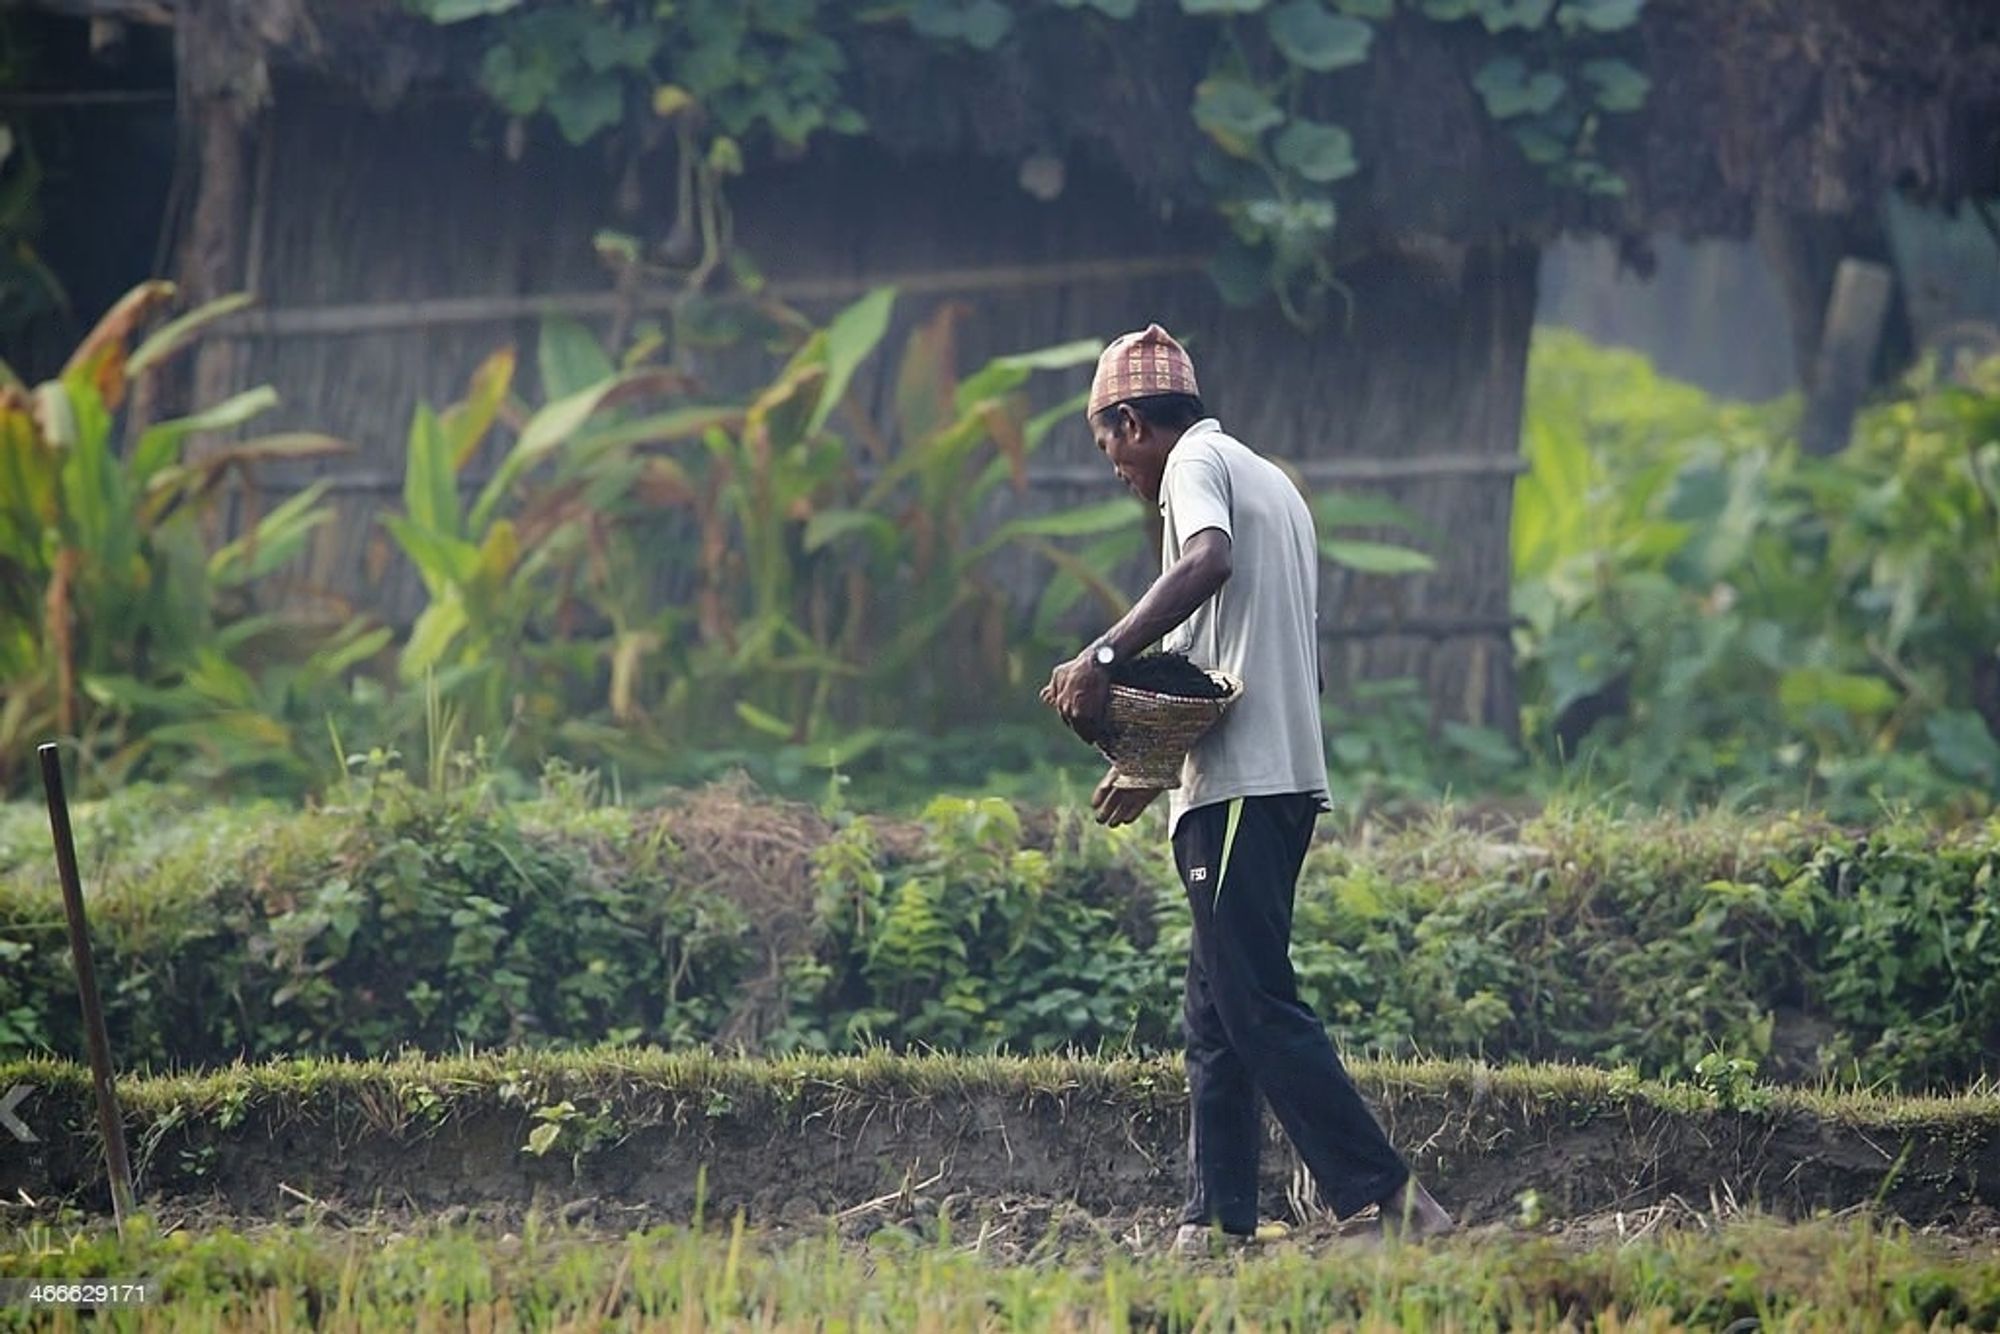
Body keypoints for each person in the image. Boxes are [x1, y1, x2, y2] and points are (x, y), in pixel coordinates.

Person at [1042, 324, 1454, 1251]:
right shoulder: (1274, 483)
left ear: (1134, 421)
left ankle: (1394, 1206)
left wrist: (1102, 657)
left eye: (1107, 441)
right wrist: (1150, 766)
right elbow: (1238, 665)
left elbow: (1207, 564)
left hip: (1237, 792)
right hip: (1270, 784)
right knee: (1217, 1014)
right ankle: (1217, 1220)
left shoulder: (1194, 467)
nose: (1113, 465)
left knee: (1257, 1005)